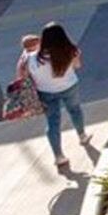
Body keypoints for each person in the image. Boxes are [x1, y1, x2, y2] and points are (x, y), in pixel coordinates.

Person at [20, 24, 88, 170]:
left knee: (53, 122)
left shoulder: (32, 58)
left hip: (46, 92)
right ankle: (82, 136)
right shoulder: (71, 51)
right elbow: (77, 66)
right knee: (75, 110)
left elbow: (23, 75)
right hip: (69, 86)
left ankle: (59, 156)